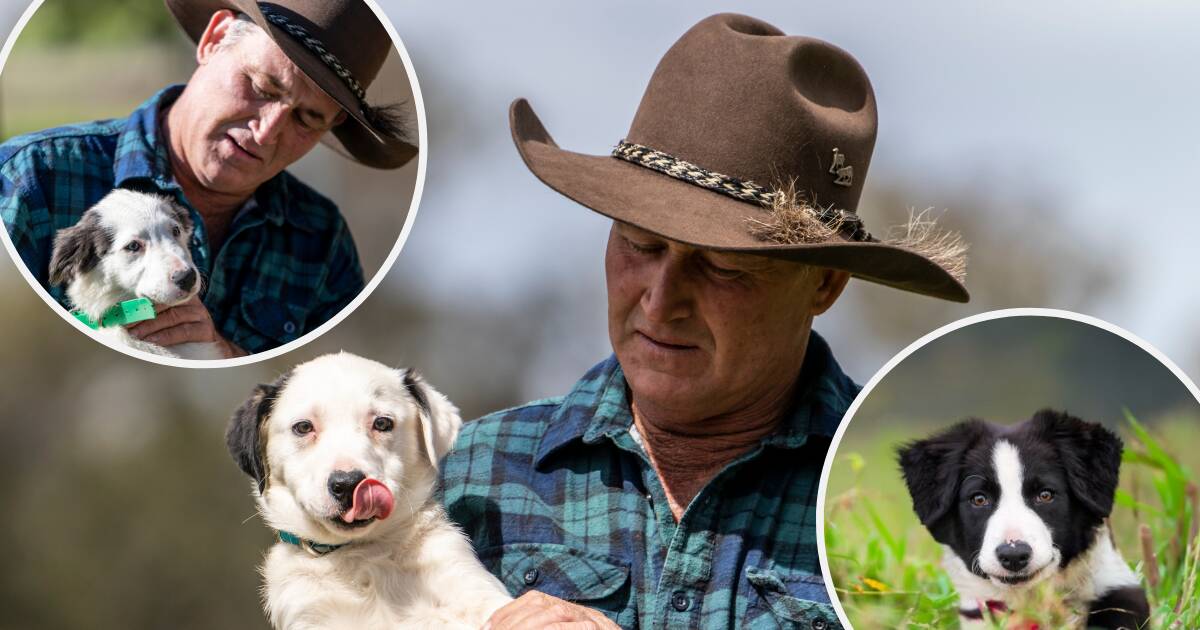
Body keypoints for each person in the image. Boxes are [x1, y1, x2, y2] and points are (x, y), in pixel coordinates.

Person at [440, 13, 970, 629]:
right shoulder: (466, 475)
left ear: (823, 284)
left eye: (721, 268)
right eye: (640, 244)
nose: (661, 301)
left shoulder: (911, 511)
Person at [0, 0, 416, 358]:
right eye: (262, 86)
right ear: (214, 39)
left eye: (307, 118)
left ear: (332, 124)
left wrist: (221, 355)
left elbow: (326, 393)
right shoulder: (30, 178)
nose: (267, 131)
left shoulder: (323, 242)